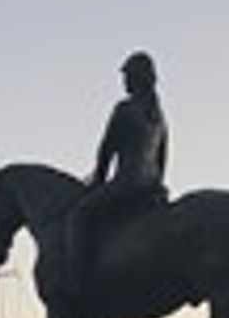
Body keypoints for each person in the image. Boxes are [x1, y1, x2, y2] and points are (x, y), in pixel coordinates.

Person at [64, 50, 168, 296]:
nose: (124, 81)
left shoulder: (124, 109)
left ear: (138, 78)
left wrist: (98, 181)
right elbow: (163, 158)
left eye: (127, 76)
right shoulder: (160, 117)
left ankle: (79, 283)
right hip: (151, 187)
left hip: (128, 184)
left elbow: (106, 149)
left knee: (78, 216)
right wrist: (156, 186)